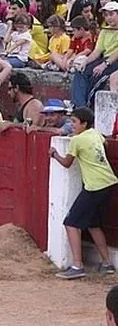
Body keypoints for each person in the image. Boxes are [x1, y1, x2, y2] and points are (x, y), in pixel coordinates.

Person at [50, 107, 118, 280]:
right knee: (93, 224)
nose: (71, 125)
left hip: (94, 186)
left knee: (71, 223)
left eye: (74, 122)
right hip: (109, 182)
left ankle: (77, 265)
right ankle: (106, 263)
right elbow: (106, 143)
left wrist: (54, 154)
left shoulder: (77, 141)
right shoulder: (95, 133)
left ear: (84, 124)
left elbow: (67, 163)